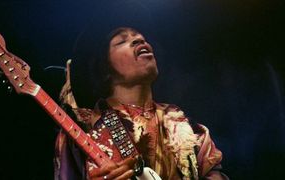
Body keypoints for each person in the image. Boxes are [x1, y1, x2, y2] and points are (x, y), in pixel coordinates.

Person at [54, 27, 229, 180]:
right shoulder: (82, 131)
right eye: (122, 40)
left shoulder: (192, 132)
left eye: (140, 37)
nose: (139, 39)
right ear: (104, 69)